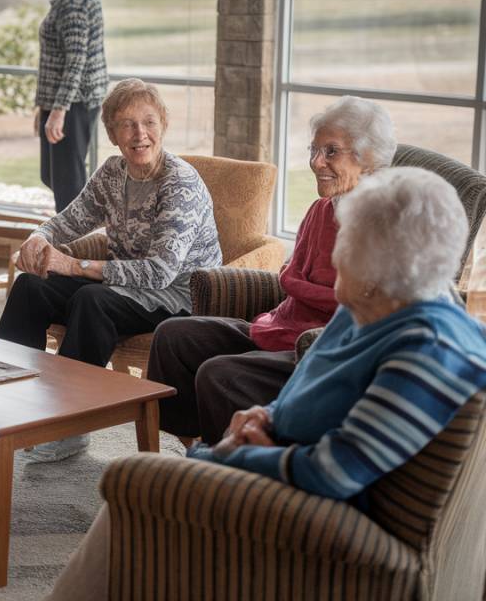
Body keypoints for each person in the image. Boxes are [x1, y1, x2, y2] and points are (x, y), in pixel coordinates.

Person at [46, 167, 486, 599]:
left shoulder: (426, 351)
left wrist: (243, 454)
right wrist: (263, 416)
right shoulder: (368, 308)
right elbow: (302, 389)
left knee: (134, 483)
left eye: (346, 240)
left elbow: (334, 472)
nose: (333, 256)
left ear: (378, 260)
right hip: (283, 464)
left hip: (321, 517)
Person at [147, 96, 396, 445]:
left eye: (331, 152)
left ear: (368, 159)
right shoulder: (321, 209)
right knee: (173, 336)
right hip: (279, 327)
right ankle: (190, 446)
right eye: (314, 150)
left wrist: (295, 288)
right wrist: (291, 290)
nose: (316, 162)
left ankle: (233, 471)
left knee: (219, 374)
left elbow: (369, 310)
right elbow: (292, 280)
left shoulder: (383, 224)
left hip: (319, 347)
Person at [0, 79, 222, 460]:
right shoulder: (113, 173)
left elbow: (160, 271)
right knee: (30, 288)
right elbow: (68, 221)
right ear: (113, 135)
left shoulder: (179, 182)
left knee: (92, 300)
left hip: (181, 293)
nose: (139, 134)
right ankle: (4, 395)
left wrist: (75, 265)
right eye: (126, 124)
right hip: (129, 288)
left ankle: (69, 424)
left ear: (163, 125)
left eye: (148, 122)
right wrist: (38, 237)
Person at [35, 0, 108, 212]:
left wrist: (58, 110)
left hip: (74, 104)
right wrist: (45, 107)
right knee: (55, 177)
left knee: (68, 185)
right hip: (64, 102)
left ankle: (70, 250)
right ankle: (69, 239)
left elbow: (76, 59)